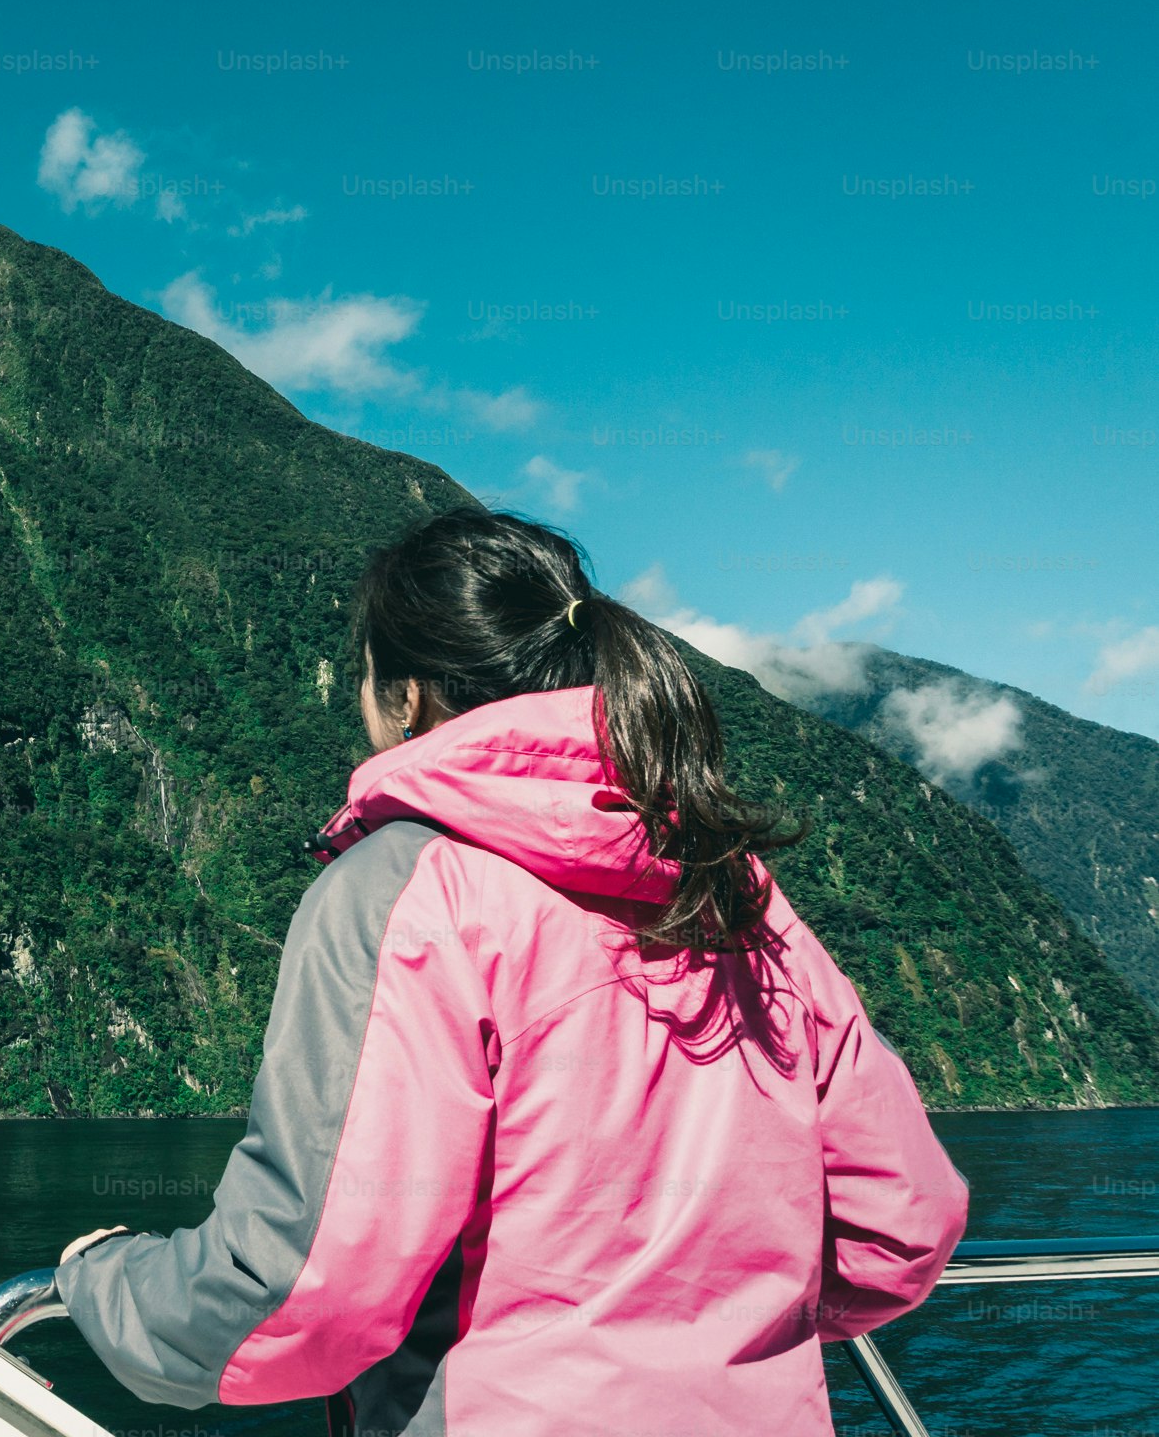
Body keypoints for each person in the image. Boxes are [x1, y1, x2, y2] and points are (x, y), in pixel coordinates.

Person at [54, 509, 968, 1436]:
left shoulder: (405, 888)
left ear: (404, 700)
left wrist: (105, 1275)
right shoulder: (735, 889)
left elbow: (301, 1294)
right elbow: (902, 1224)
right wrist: (712, 1330)